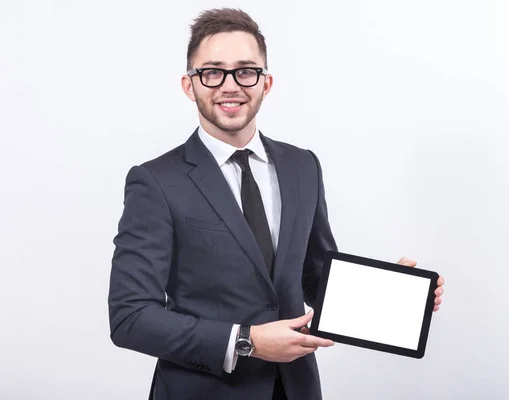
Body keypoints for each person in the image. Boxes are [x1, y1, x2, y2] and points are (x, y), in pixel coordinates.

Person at [107, 7, 444, 400]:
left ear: (265, 83)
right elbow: (130, 316)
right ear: (189, 84)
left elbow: (315, 279)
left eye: (245, 71)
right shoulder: (156, 181)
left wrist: (388, 294)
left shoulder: (302, 166)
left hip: (296, 389)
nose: (229, 85)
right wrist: (245, 341)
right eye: (212, 71)